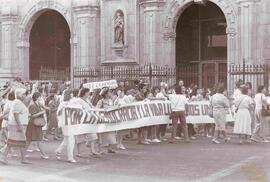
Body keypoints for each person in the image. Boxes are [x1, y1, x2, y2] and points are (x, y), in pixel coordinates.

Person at [0, 88, 31, 164]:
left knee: (20, 142)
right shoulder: (17, 102)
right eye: (24, 94)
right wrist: (20, 126)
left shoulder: (18, 102)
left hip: (16, 125)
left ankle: (23, 159)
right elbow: (16, 115)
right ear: (20, 95)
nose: (25, 95)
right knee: (12, 142)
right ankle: (3, 157)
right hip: (17, 125)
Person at [75, 88, 100, 157]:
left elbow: (92, 107)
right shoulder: (78, 100)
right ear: (85, 93)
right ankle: (79, 152)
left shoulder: (87, 100)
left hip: (90, 120)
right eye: (88, 92)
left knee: (93, 135)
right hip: (82, 120)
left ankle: (93, 150)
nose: (89, 93)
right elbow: (78, 110)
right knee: (80, 136)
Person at [55, 89, 77, 163]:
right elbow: (58, 113)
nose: (72, 94)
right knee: (71, 139)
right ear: (68, 94)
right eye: (71, 93)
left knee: (67, 139)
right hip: (65, 123)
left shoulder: (73, 102)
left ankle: (58, 150)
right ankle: (70, 157)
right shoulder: (62, 103)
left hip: (72, 122)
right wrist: (63, 108)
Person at [26, 92, 49, 159]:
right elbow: (32, 115)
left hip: (35, 124)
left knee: (29, 140)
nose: (40, 98)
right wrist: (41, 112)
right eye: (39, 97)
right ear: (36, 97)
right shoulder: (33, 105)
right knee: (37, 139)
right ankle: (43, 154)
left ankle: (23, 153)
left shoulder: (36, 104)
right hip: (34, 124)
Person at [97, 88, 117, 153]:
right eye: (109, 92)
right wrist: (103, 110)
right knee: (102, 134)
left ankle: (110, 148)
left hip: (111, 119)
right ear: (105, 94)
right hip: (103, 120)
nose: (110, 93)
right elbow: (97, 109)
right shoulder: (101, 101)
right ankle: (100, 149)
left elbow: (113, 108)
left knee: (111, 133)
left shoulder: (111, 101)